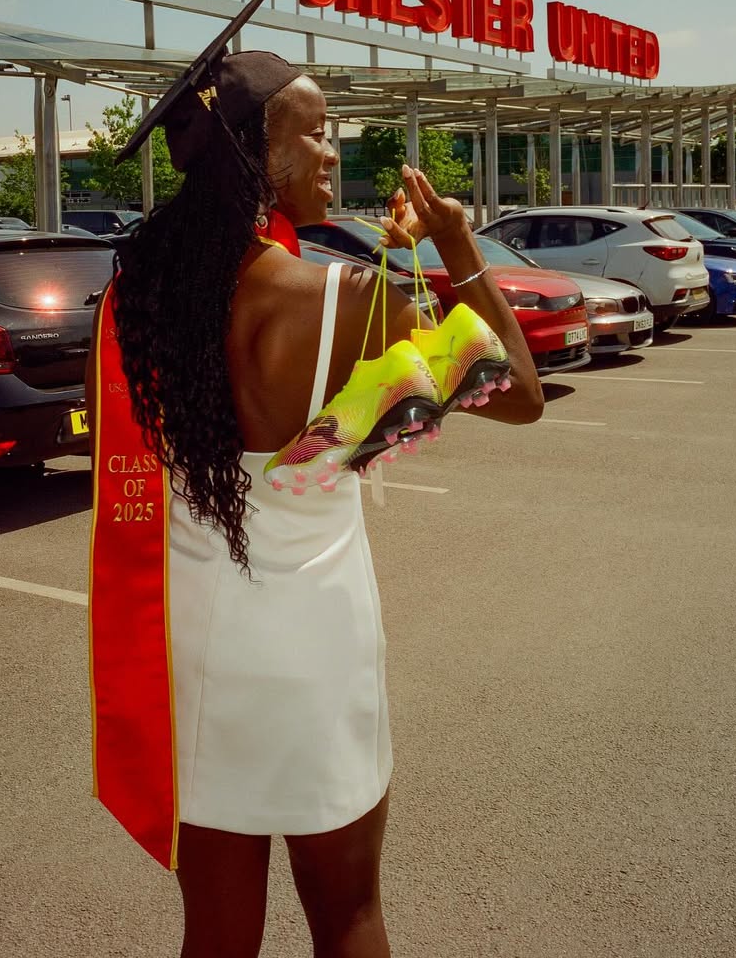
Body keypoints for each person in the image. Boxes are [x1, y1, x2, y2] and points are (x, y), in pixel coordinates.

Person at [89, 50, 543, 958]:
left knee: (216, 935)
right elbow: (521, 389)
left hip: (202, 653)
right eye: (316, 130)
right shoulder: (346, 302)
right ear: (261, 150)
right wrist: (455, 244)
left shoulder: (144, 295)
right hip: (314, 649)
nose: (333, 150)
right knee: (348, 917)